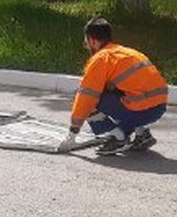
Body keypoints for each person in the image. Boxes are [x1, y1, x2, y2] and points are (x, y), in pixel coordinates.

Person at [57, 17, 168, 155]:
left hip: (140, 112)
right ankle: (142, 134)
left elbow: (86, 98)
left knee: (84, 98)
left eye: (86, 42)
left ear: (92, 41)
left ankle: (118, 139)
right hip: (159, 108)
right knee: (120, 93)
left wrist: (72, 135)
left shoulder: (101, 59)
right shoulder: (126, 52)